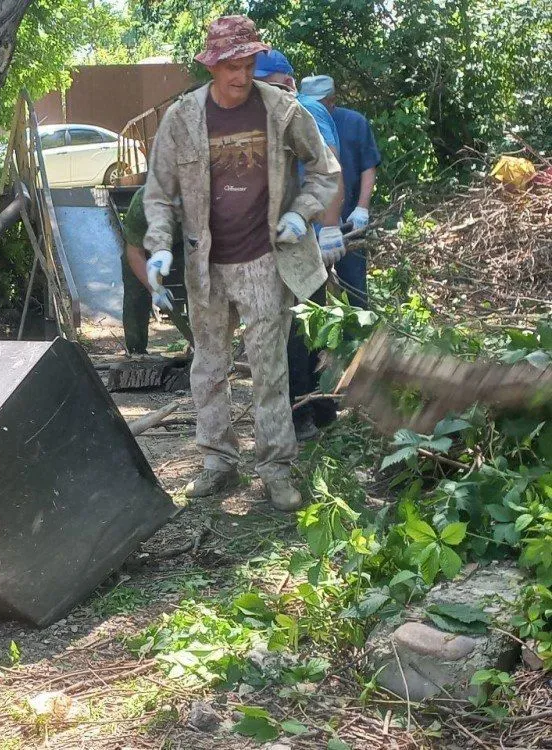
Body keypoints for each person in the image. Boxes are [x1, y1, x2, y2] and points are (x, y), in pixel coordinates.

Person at [143, 16, 340, 510]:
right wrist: (159, 244)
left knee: (270, 370)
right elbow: (159, 192)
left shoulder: (282, 109)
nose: (242, 75)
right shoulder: (182, 118)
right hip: (206, 265)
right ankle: (218, 463)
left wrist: (301, 213)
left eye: (249, 64)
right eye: (232, 66)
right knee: (209, 368)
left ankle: (276, 469)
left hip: (264, 262)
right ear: (212, 65)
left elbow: (325, 169)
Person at [253, 51, 344, 441]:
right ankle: (311, 412)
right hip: (270, 245)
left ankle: (309, 413)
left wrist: (330, 228)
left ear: (287, 82)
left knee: (304, 330)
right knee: (297, 330)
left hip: (302, 239)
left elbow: (330, 167)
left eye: (266, 83)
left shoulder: (302, 110)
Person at [300, 74, 381, 308]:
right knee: (310, 292)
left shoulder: (354, 123)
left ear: (332, 100)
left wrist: (362, 209)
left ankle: (358, 328)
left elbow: (368, 166)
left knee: (354, 287)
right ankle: (314, 331)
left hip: (349, 221)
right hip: (311, 223)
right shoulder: (298, 123)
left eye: (319, 103)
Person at [120, 186, 193, 354]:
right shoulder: (142, 203)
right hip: (144, 245)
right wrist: (155, 289)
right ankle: (136, 352)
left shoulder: (201, 200)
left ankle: (204, 346)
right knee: (135, 292)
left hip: (184, 243)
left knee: (199, 287)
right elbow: (134, 253)